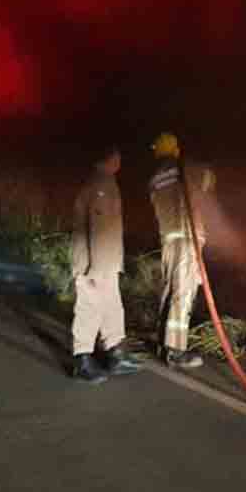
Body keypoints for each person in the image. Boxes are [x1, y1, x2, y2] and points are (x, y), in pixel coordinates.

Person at [70, 145, 144, 383]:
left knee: (112, 307)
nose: (120, 161)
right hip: (95, 263)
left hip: (105, 262)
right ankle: (82, 360)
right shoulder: (101, 184)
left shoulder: (103, 182)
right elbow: (100, 227)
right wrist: (96, 268)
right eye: (118, 156)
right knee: (89, 308)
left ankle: (115, 354)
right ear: (111, 158)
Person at [148, 132, 216, 369]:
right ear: (176, 150)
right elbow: (208, 180)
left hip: (169, 240)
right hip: (187, 239)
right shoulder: (185, 170)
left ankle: (163, 342)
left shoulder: (155, 178)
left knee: (171, 290)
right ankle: (175, 349)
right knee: (184, 293)